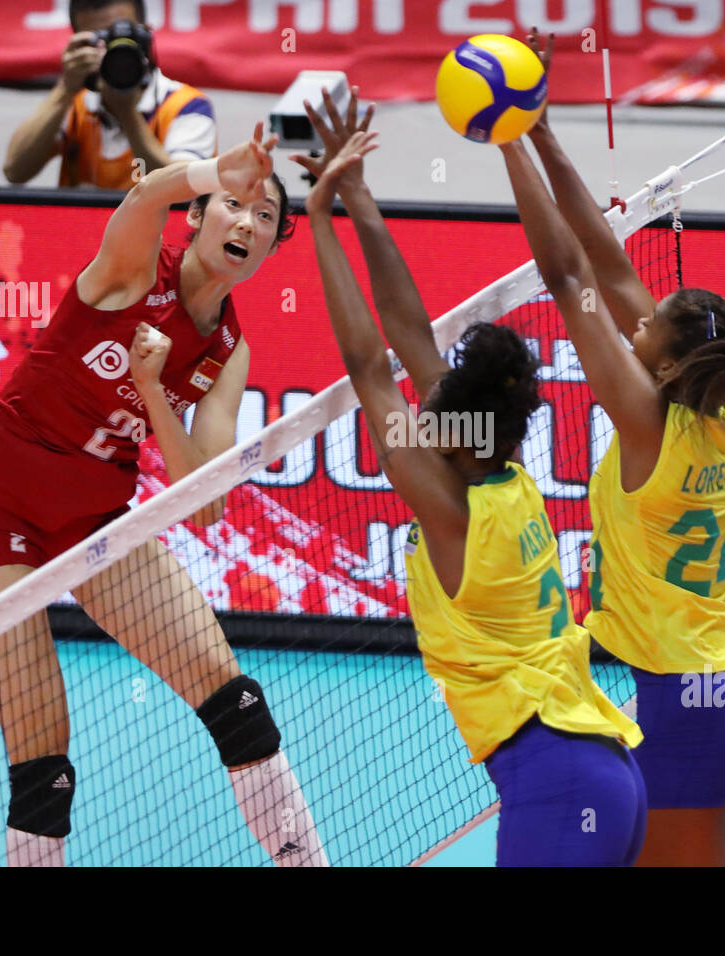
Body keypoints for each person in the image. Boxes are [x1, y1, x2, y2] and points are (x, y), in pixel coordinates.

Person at [0, 127, 328, 867]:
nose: (247, 222)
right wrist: (217, 169)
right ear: (200, 214)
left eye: (264, 216)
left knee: (238, 705)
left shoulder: (228, 351)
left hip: (95, 523)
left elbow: (205, 503)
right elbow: (148, 190)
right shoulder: (132, 270)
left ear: (272, 245)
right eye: (233, 204)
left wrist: (153, 388)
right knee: (43, 768)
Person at [298, 97, 646, 866]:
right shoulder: (502, 472)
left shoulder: (448, 510)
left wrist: (318, 218)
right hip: (606, 772)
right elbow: (408, 335)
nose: (421, 418)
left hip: (557, 781)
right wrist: (355, 194)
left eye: (430, 416)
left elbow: (369, 367)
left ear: (450, 435)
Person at [502, 29, 725, 866]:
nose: (635, 324)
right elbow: (605, 256)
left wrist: (506, 138)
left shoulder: (646, 421)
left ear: (665, 365)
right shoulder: (712, 411)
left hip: (686, 704)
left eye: (646, 328)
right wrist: (543, 130)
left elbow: (568, 277)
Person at [3, 0, 217, 190]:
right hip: (81, 225)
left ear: (147, 35)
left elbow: (184, 192)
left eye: (122, 38)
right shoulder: (74, 103)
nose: (111, 51)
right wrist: (65, 89)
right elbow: (15, 171)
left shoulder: (187, 105)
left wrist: (127, 113)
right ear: (79, 43)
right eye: (100, 41)